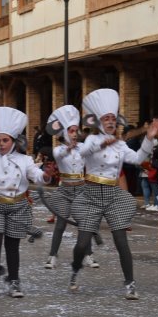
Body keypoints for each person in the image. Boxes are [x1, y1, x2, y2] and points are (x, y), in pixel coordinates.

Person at [69, 88, 158, 300]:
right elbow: (81, 152)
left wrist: (148, 138)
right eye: (106, 119)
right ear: (99, 122)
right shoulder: (91, 140)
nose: (110, 122)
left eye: (113, 118)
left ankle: (130, 283)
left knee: (121, 241)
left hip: (112, 194)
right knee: (82, 243)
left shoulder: (120, 144)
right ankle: (74, 271)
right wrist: (102, 143)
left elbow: (137, 159)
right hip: (91, 194)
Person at [0, 107, 55, 298]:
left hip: (18, 206)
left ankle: (14, 281)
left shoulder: (25, 160)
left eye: (5, 140)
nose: (1, 144)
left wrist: (47, 176)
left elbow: (37, 177)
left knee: (12, 246)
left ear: (14, 141)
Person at [43, 105, 98, 269]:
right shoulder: (58, 149)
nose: (74, 134)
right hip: (65, 190)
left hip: (81, 189)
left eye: (76, 131)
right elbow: (59, 155)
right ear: (65, 133)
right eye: (71, 131)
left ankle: (88, 255)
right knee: (61, 224)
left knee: (84, 224)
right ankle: (52, 256)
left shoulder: (83, 148)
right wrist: (69, 148)